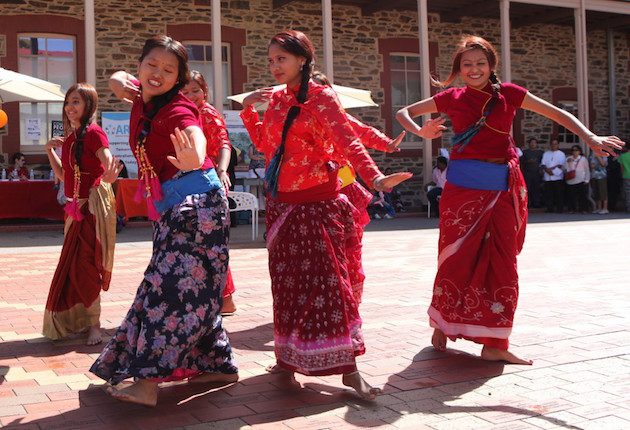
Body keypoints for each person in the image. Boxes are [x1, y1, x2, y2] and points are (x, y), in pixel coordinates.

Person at [396, 35, 623, 365]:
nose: (474, 69)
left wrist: (589, 137)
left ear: (492, 66)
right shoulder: (451, 97)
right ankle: (444, 323)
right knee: (456, 257)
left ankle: (495, 344)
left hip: (502, 186)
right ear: (459, 69)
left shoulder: (510, 95)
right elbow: (403, 111)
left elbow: (558, 113)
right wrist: (422, 133)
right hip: (462, 188)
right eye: (467, 64)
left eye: (480, 63)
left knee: (503, 262)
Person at [239, 30, 411, 400]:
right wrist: (248, 111)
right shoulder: (277, 99)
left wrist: (376, 178)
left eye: (280, 59)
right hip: (282, 204)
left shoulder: (322, 97)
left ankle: (348, 370)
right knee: (288, 286)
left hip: (318, 203)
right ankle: (288, 357)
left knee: (329, 287)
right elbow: (267, 146)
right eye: (270, 60)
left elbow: (350, 139)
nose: (274, 66)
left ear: (302, 59)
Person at [90, 35, 238, 407]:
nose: (158, 73)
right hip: (177, 208)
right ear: (140, 65)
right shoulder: (143, 96)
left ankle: (148, 383)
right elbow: (116, 81)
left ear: (178, 78)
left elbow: (194, 134)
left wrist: (195, 155)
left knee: (167, 291)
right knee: (190, 289)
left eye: (168, 70)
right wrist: (123, 81)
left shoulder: (177, 109)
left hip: (197, 208)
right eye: (151, 65)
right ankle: (218, 363)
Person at [311, 70, 405, 303]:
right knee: (320, 249)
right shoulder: (299, 117)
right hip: (314, 191)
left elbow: (362, 132)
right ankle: (325, 296)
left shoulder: (337, 117)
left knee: (350, 246)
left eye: (319, 90)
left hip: (346, 191)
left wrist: (388, 144)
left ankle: (349, 296)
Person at [42, 83, 121, 345]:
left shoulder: (95, 133)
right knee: (74, 268)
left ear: (89, 106)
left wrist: (109, 172)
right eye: (68, 102)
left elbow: (107, 157)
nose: (70, 107)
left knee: (88, 266)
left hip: (93, 208)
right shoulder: (71, 139)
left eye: (76, 102)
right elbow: (63, 176)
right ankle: (78, 320)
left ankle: (94, 326)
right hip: (73, 209)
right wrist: (49, 151)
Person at [182, 70, 237, 315]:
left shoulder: (207, 113)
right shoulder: (181, 113)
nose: (191, 95)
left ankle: (225, 299)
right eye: (185, 91)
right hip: (186, 184)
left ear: (205, 91)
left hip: (207, 182)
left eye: (196, 90)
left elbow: (224, 143)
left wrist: (223, 170)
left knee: (212, 244)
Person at [541, 138, 566, 213]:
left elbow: (561, 165)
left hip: (557, 177)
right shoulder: (546, 153)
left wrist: (553, 172)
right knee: (549, 194)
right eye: (552, 144)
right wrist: (547, 170)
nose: (553, 145)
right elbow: (543, 164)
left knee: (559, 194)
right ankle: (550, 208)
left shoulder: (561, 154)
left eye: (555, 144)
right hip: (548, 177)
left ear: (558, 145)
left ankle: (559, 209)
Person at [564, 145, 590, 214]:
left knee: (582, 196)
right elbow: (565, 169)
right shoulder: (569, 158)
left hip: (581, 179)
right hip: (571, 180)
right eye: (573, 150)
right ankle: (572, 209)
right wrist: (569, 163)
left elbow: (587, 169)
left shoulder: (583, 159)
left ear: (579, 151)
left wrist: (587, 179)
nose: (574, 152)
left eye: (576, 150)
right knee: (571, 196)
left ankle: (583, 209)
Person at [520, 138, 544, 208]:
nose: (533, 144)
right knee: (528, 188)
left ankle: (537, 203)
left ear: (536, 144)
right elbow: (521, 162)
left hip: (537, 173)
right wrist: (528, 161)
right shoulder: (525, 152)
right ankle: (528, 203)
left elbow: (543, 162)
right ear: (529, 144)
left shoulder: (540, 152)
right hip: (527, 173)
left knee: (536, 188)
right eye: (531, 142)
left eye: (534, 143)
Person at [620, 147, 630, 212]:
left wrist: (622, 174)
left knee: (627, 192)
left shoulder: (622, 156)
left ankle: (628, 207)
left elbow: (622, 168)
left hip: (626, 176)